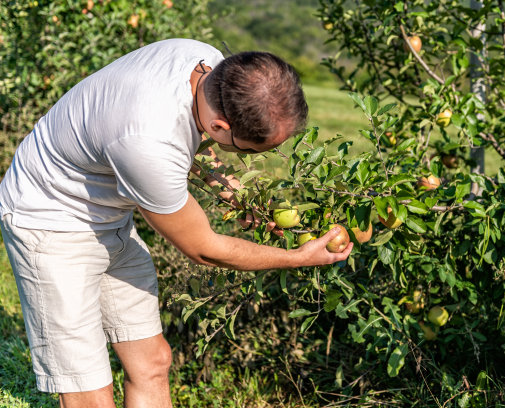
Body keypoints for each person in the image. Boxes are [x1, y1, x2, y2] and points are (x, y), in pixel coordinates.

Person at [0, 38, 352, 407]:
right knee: (88, 387)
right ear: (219, 124)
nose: (250, 157)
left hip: (108, 215)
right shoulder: (148, 141)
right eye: (249, 149)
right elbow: (204, 249)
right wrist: (298, 257)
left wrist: (232, 190)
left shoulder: (205, 62)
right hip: (49, 223)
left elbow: (192, 142)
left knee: (153, 361)